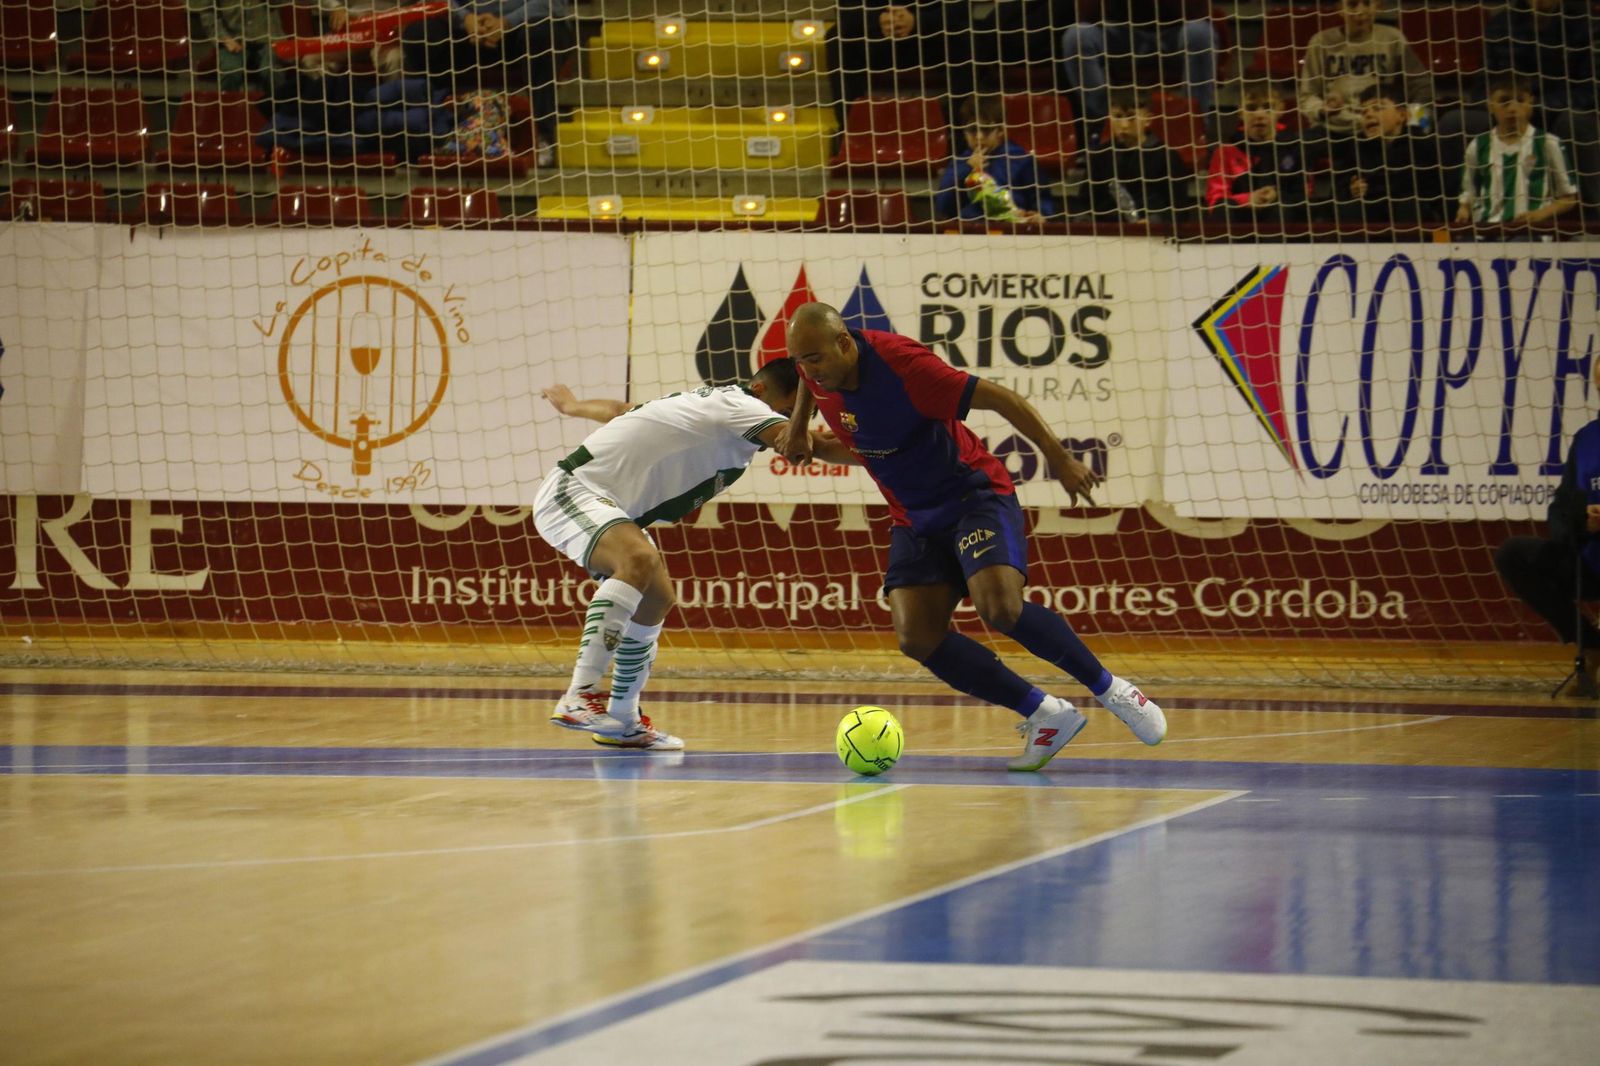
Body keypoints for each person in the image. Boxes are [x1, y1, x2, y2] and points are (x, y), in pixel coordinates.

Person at [778, 303, 1166, 773]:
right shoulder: (821, 371)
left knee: (1000, 608)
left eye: (814, 359)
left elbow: (1004, 399)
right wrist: (803, 432)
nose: (807, 370)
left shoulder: (908, 368)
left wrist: (1059, 459)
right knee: (916, 637)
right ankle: (1045, 714)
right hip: (914, 518)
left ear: (844, 344)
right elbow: (864, 438)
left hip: (971, 496)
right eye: (799, 361)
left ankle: (1114, 691)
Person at [533, 361, 804, 751]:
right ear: (761, 393)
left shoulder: (711, 410)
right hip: (572, 491)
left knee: (656, 598)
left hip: (609, 505)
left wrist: (575, 407)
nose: (792, 422)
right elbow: (800, 445)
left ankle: (623, 720)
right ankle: (580, 694)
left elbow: (621, 412)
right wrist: (889, 448)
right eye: (790, 410)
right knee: (637, 559)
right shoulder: (744, 407)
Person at [1495, 357, 1600, 696]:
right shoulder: (1587, 438)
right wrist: (1583, 519)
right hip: (1592, 561)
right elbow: (1561, 507)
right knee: (1514, 555)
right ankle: (1591, 641)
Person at [401, 0, 575, 165]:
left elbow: (555, 4)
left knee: (543, 33)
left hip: (522, 27)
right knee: (419, 34)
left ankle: (542, 136)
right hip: (463, 30)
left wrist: (506, 22)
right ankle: (435, 133)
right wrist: (465, 18)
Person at [1058, 0, 1217, 126]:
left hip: (1173, 33)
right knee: (1076, 36)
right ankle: (1106, 125)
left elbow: (1199, 13)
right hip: (1120, 33)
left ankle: (1193, 125)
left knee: (1200, 33)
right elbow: (1086, 16)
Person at [1453, 75, 1578, 233]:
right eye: (1504, 101)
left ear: (1531, 104)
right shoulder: (1478, 145)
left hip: (1532, 233)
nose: (1512, 108)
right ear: (1490, 106)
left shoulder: (1548, 143)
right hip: (1486, 231)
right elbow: (1468, 191)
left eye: (1520, 100)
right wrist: (1464, 209)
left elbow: (1568, 198)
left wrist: (1540, 214)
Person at [1296, 0, 1432, 142]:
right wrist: (1323, 110)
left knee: (1422, 141)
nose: (1360, 11)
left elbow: (1421, 84)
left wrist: (1415, 121)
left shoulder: (1392, 38)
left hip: (1382, 129)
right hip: (1335, 130)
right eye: (1352, 5)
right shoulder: (1321, 42)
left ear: (1377, 6)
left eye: (1367, 3)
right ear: (1340, 9)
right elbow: (1307, 95)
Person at [1329, 86, 1446, 228]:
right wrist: (1351, 189)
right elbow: (1338, 187)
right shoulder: (1356, 146)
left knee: (1410, 206)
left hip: (1412, 215)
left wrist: (1374, 186)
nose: (1368, 114)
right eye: (1363, 111)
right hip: (1372, 214)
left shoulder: (1421, 144)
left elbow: (1430, 189)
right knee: (1349, 208)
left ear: (1402, 115)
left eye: (1377, 108)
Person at [932, 96, 1058, 223]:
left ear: (1001, 130)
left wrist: (1041, 214)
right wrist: (967, 169)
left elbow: (1041, 198)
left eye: (986, 130)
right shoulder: (960, 162)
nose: (979, 137)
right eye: (972, 130)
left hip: (1011, 229)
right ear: (964, 132)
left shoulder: (1020, 160)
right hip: (970, 230)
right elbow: (943, 208)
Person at [1084, 89, 1194, 221]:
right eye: (1117, 117)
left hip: (1153, 235)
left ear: (1147, 119)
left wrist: (1154, 221)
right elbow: (1085, 205)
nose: (1124, 125)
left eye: (1131, 117)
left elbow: (1180, 210)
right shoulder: (1100, 155)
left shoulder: (1166, 157)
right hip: (1107, 233)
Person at [1204, 83, 1308, 222]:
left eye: (1267, 107)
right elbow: (1215, 200)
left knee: (1282, 208)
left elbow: (1304, 194)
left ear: (1281, 110)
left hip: (1282, 218)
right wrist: (1247, 199)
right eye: (1251, 108)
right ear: (1240, 112)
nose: (1259, 114)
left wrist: (1276, 196)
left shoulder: (1294, 147)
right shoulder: (1226, 151)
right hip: (1240, 218)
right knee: (1223, 209)